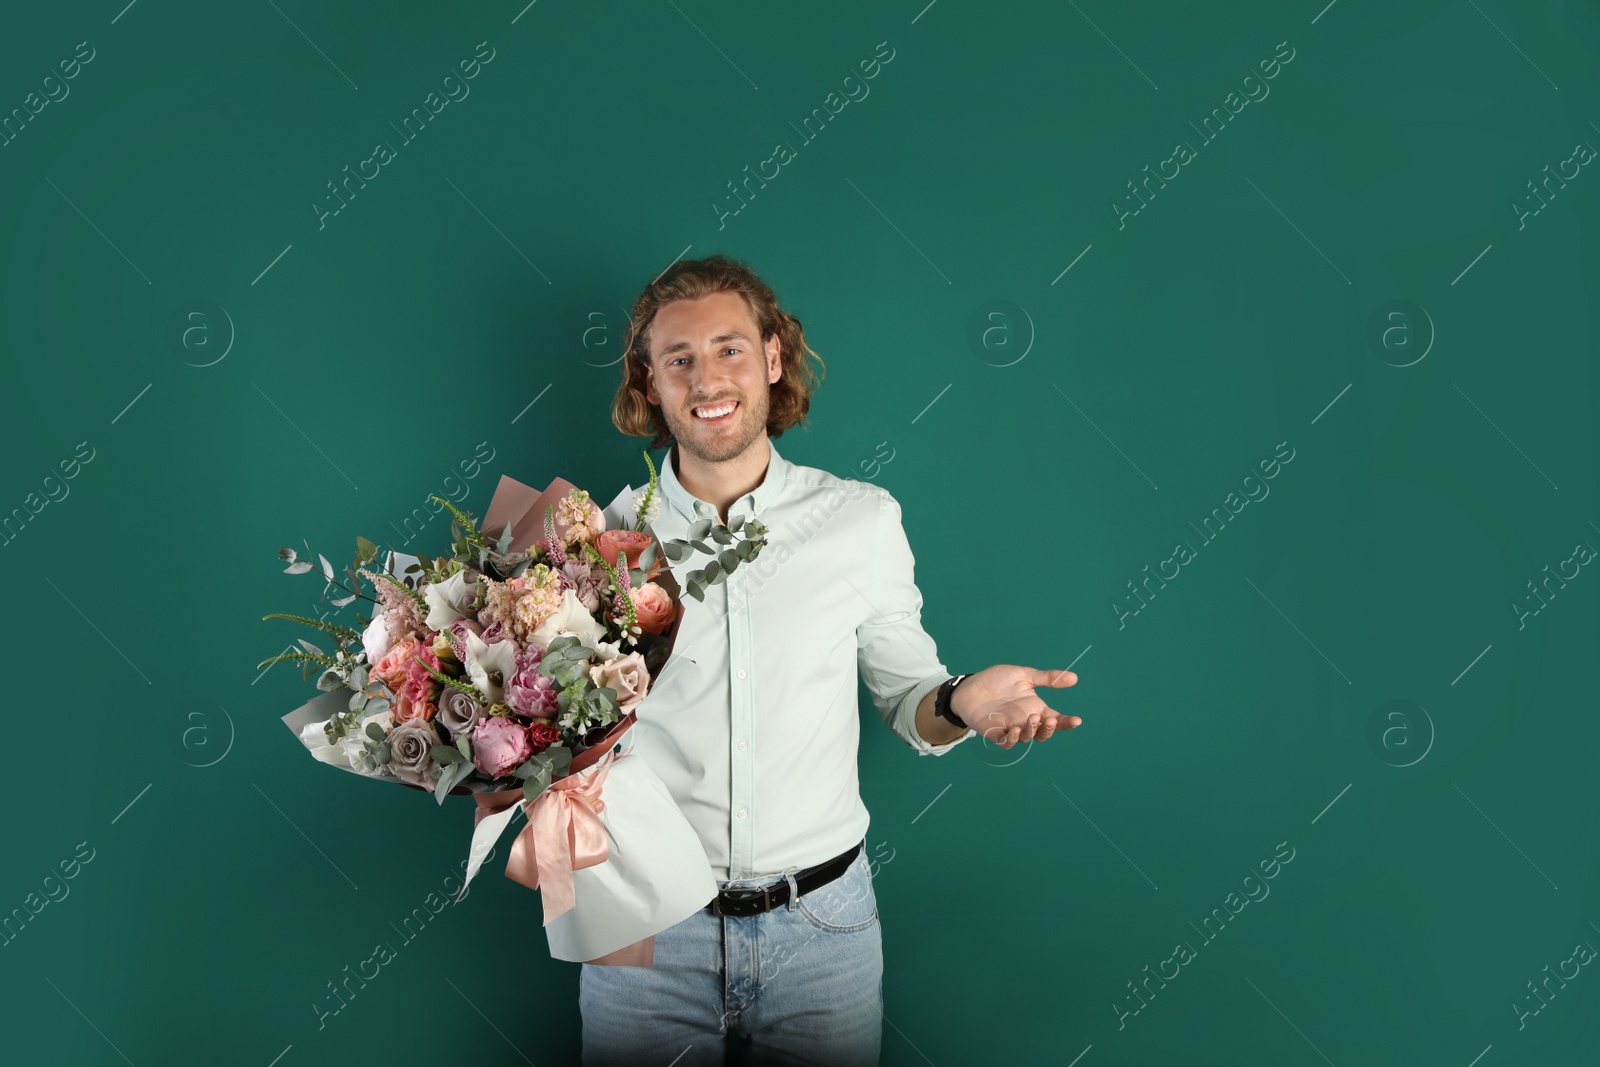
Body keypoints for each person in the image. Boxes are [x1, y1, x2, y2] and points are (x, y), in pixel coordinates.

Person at [584, 254, 1081, 1065]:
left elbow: (909, 693)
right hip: (643, 924)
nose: (707, 377)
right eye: (678, 359)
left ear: (774, 358)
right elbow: (566, 733)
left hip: (823, 928)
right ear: (651, 381)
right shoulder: (593, 544)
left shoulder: (858, 519)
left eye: (729, 348)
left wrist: (963, 700)